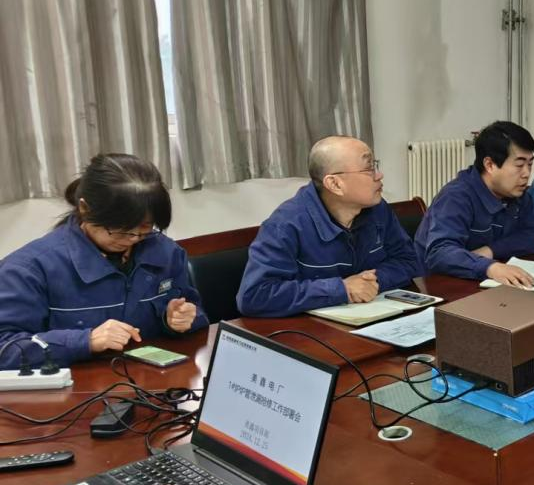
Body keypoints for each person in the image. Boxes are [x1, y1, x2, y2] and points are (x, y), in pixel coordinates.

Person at [0, 154, 207, 370]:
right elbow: (4, 348)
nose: (132, 239)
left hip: (153, 379)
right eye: (121, 230)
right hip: (77, 386)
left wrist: (179, 319)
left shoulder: (166, 252)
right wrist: (85, 341)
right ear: (85, 209)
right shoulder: (28, 269)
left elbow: (195, 310)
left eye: (144, 228)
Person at [237, 137, 419, 317]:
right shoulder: (286, 225)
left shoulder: (377, 209)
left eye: (375, 165)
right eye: (369, 169)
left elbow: (409, 260)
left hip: (371, 318)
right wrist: (342, 289)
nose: (379, 175)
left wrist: (372, 282)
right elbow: (255, 295)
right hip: (310, 329)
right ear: (335, 184)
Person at [413, 121, 534, 287]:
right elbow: (439, 253)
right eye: (519, 165)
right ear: (489, 165)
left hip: (488, 284)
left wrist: (491, 250)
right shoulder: (456, 196)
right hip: (440, 287)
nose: (526, 173)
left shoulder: (517, 193)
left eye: (530, 164)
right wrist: (489, 267)